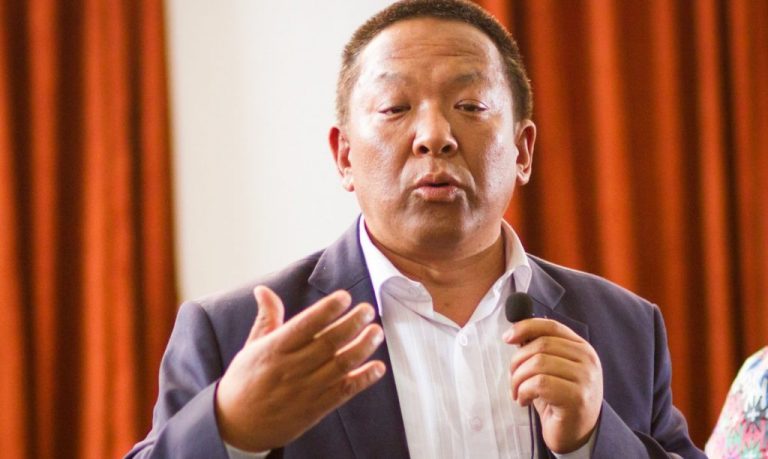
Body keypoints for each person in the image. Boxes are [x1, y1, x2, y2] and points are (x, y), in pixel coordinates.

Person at [127, 1, 706, 457]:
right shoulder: (232, 335)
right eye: (395, 108)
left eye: (470, 105)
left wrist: (592, 441)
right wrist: (231, 431)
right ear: (344, 156)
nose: (434, 135)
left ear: (523, 150)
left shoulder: (625, 328)